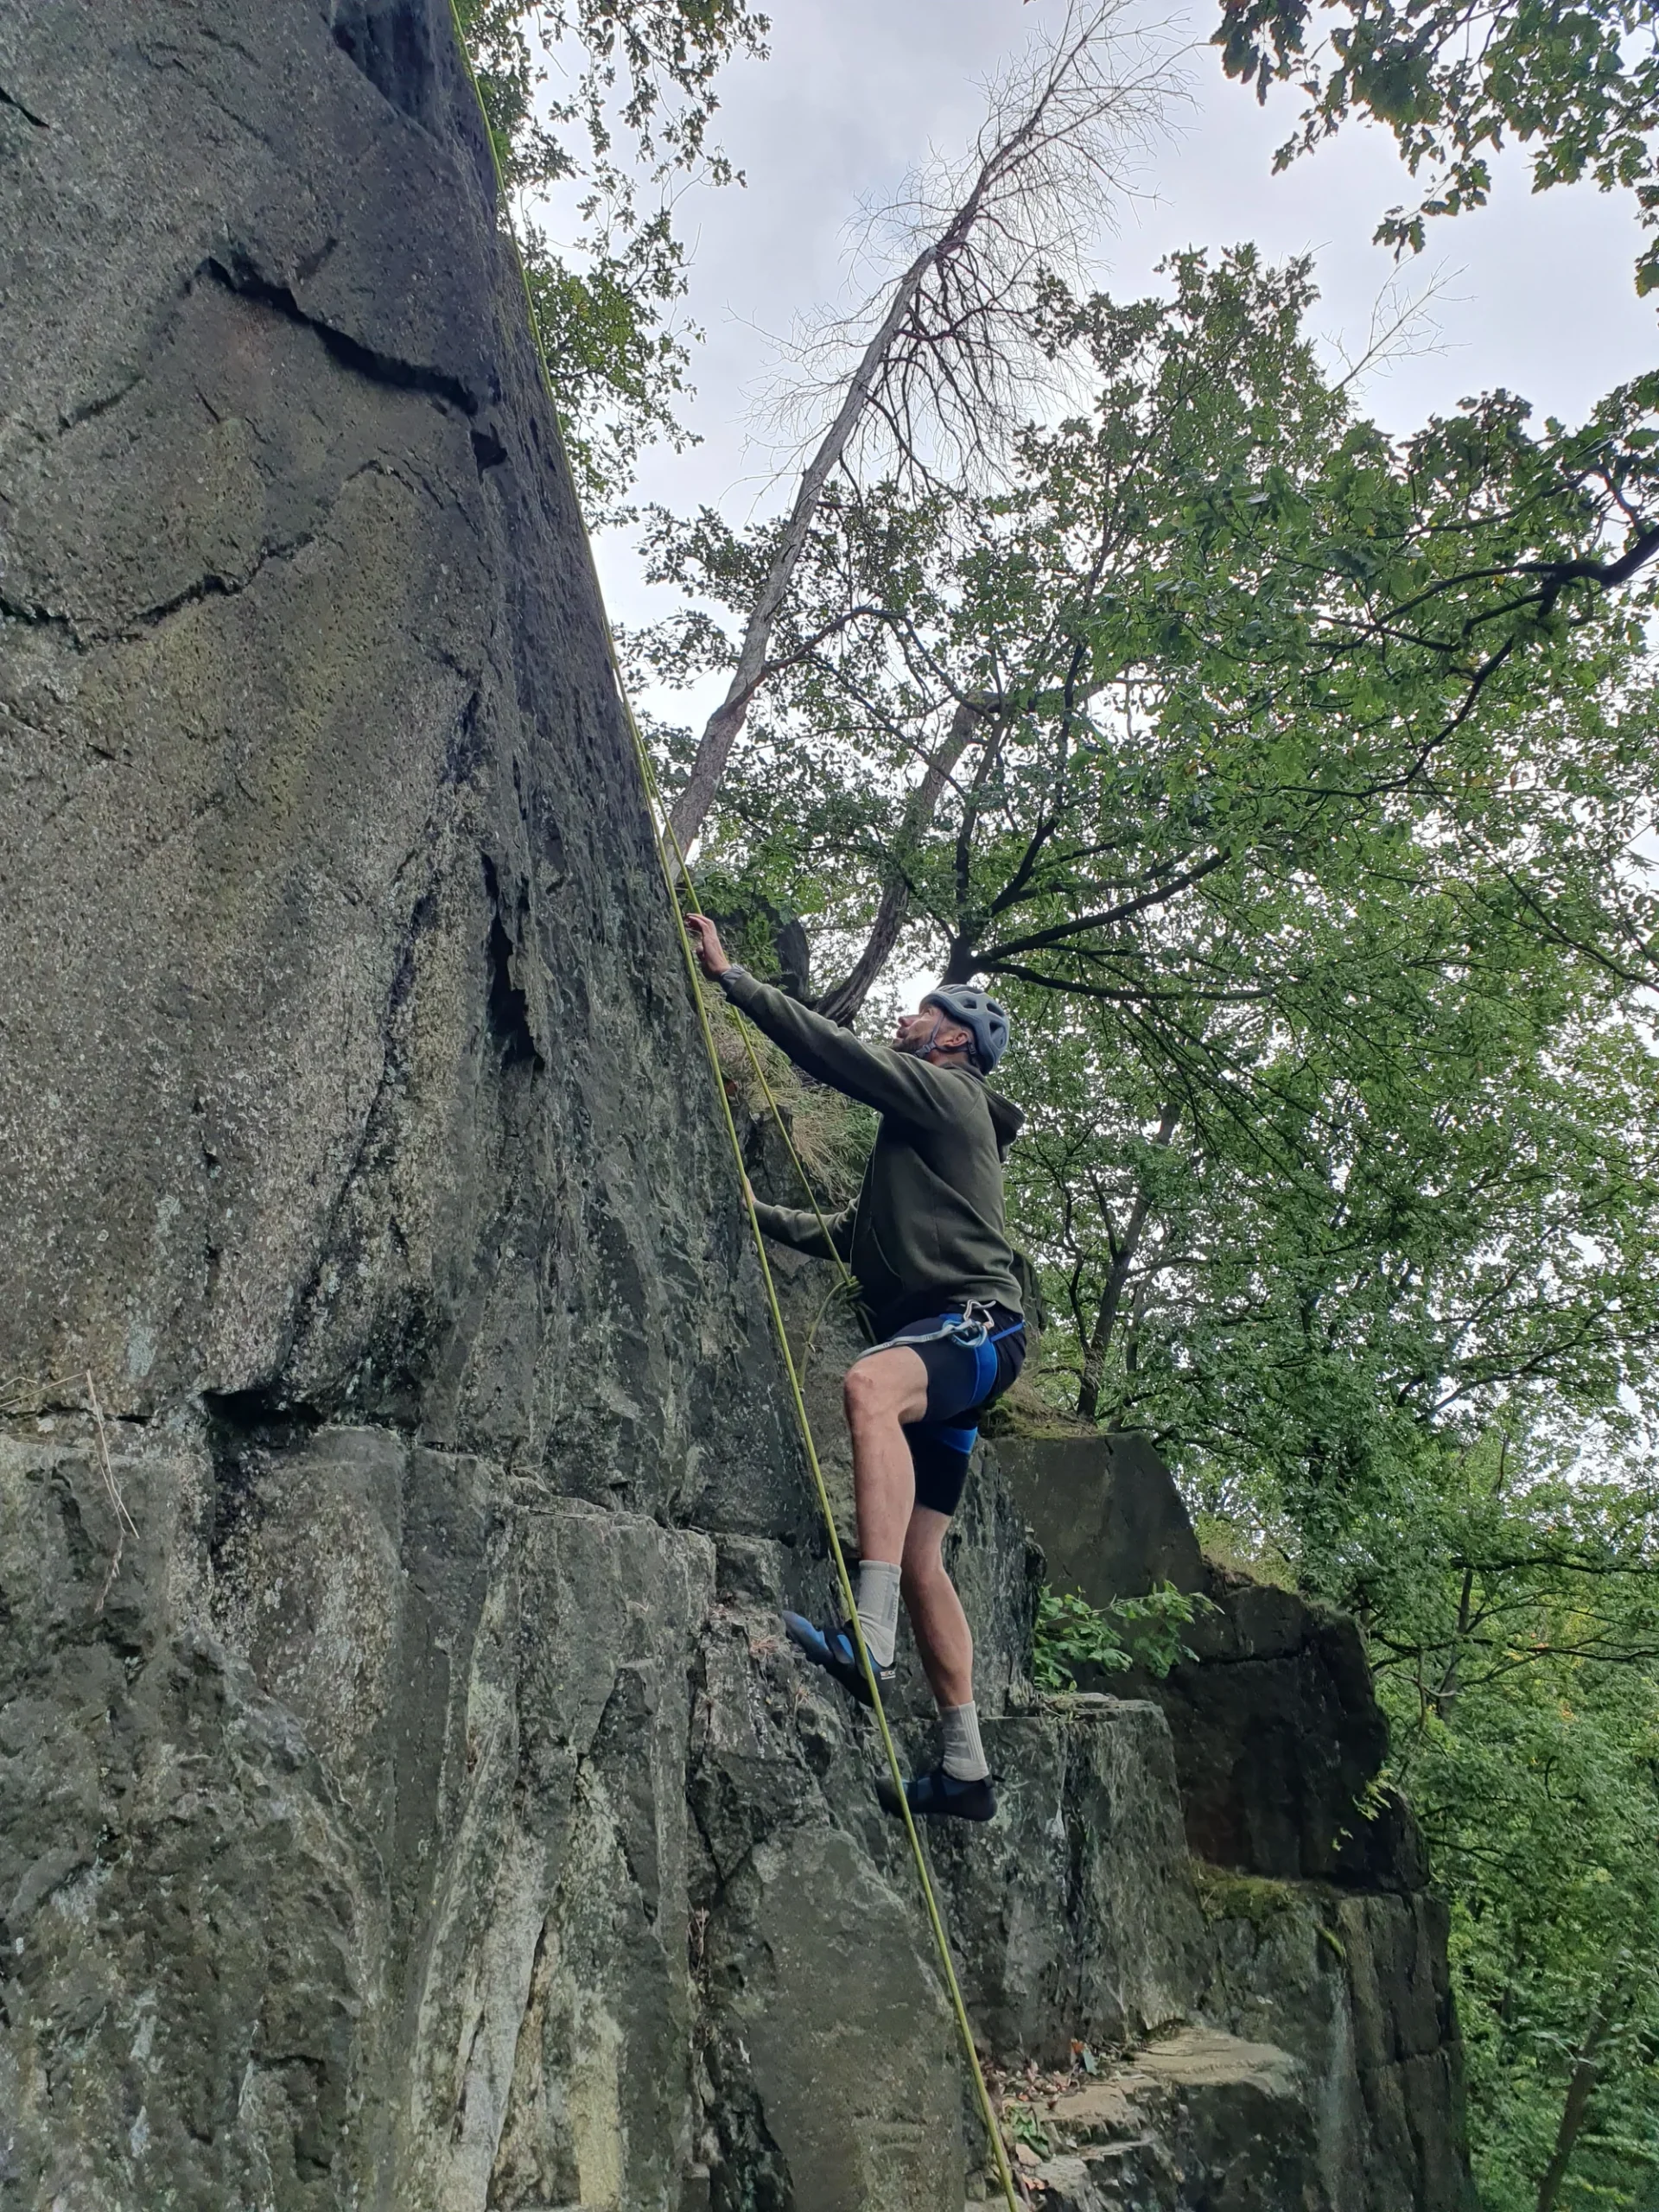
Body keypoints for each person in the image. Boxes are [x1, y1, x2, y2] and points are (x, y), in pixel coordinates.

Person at [686, 913, 1026, 1824]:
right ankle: (965, 1767)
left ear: (952, 1036)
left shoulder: (948, 1098)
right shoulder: (921, 1147)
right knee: (924, 1555)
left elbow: (842, 1059)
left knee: (870, 1386)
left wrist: (735, 981)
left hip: (973, 1324)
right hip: (958, 1341)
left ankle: (868, 1640)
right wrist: (754, 1207)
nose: (904, 1023)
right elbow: (847, 1237)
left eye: (919, 1015)